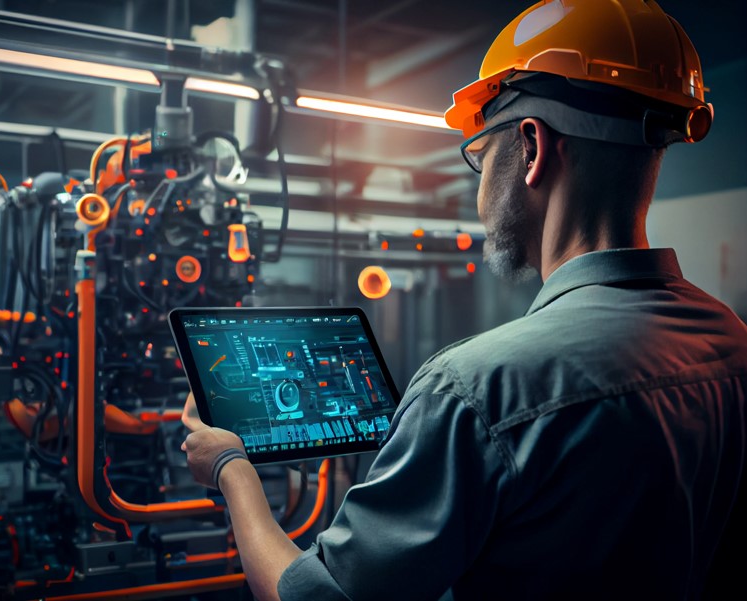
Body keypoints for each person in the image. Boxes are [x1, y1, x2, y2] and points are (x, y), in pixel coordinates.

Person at [182, 1, 747, 599]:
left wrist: (230, 469)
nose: (480, 189)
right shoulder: (733, 341)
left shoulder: (474, 391)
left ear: (531, 148)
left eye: (480, 156)